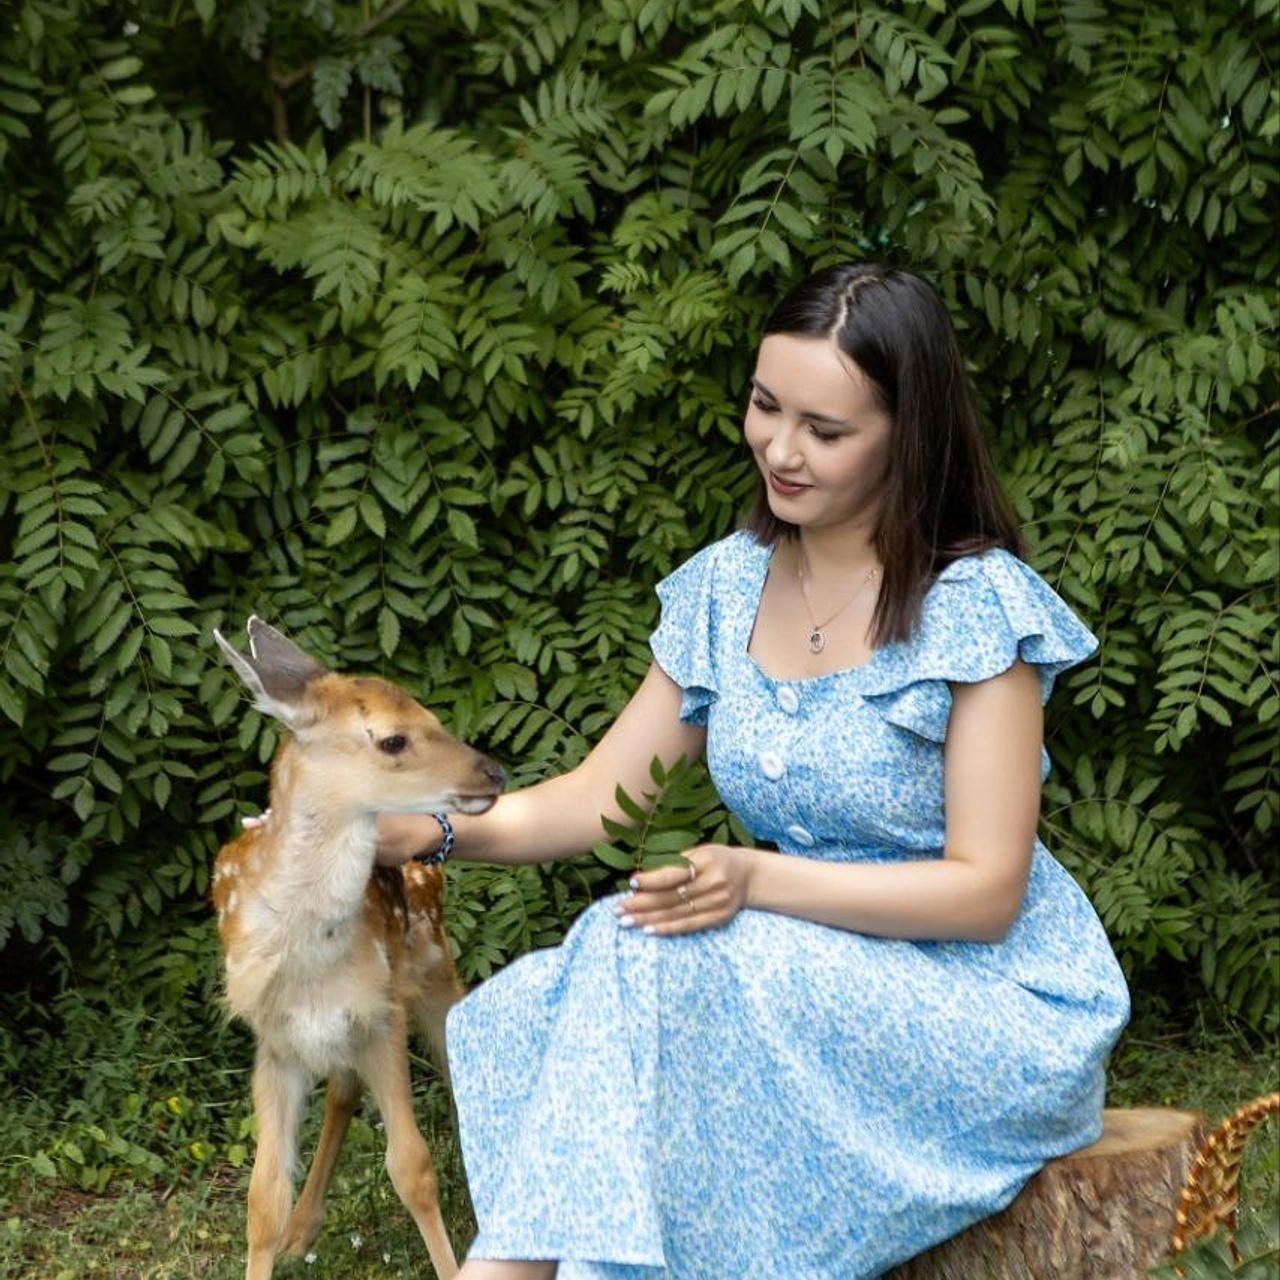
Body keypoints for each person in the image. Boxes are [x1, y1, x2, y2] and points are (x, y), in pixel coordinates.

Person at [378, 263, 1130, 1280]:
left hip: (986, 1005)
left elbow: (986, 890)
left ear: (904, 434)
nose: (779, 447)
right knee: (602, 953)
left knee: (668, 948)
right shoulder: (726, 586)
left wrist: (757, 878)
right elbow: (599, 799)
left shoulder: (974, 604)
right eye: (764, 405)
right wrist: (434, 827)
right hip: (803, 971)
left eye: (824, 430)